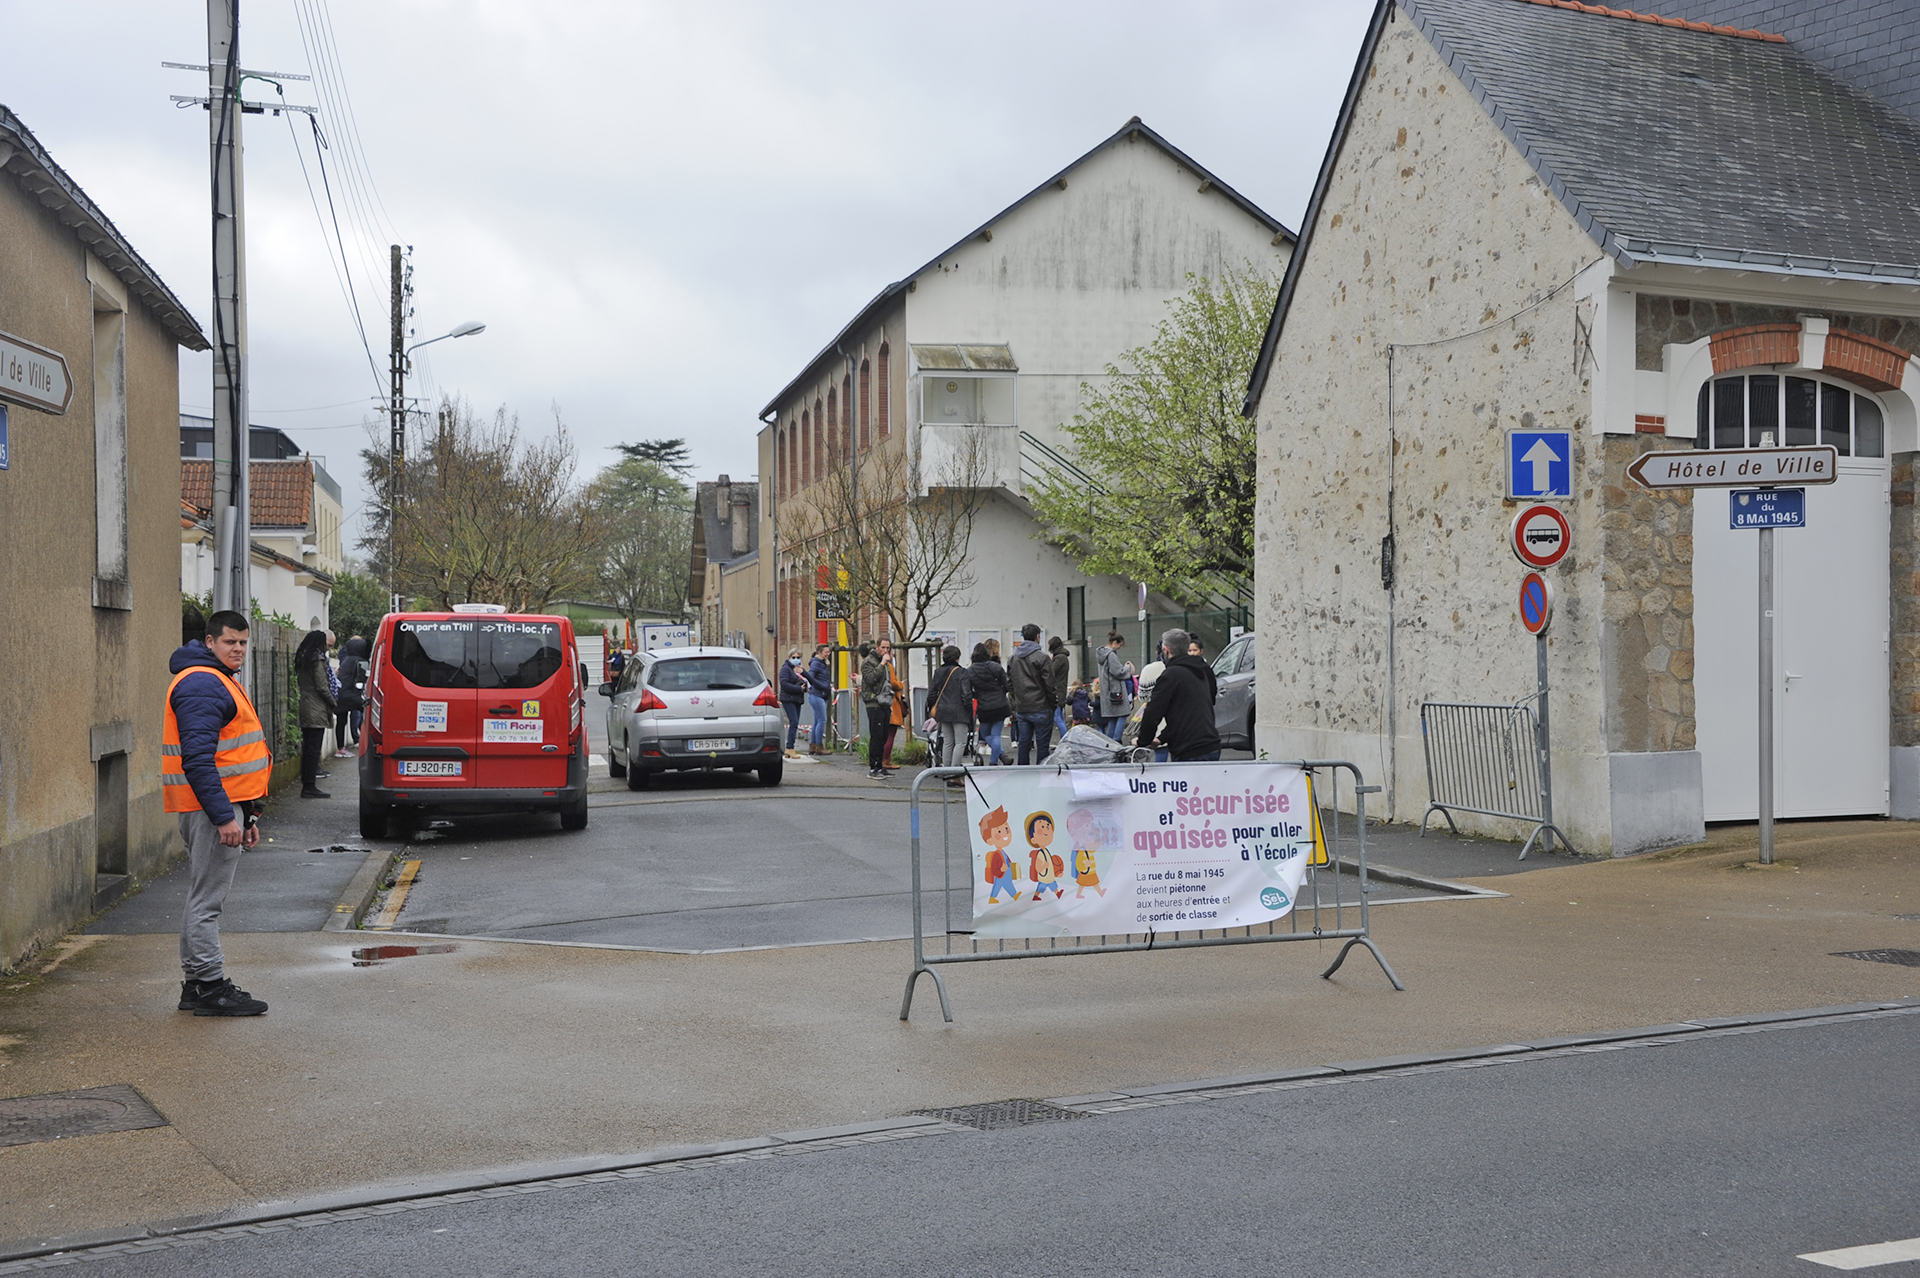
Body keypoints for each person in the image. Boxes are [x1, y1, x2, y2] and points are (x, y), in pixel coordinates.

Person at [163, 609, 271, 1016]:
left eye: (243, 642)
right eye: (229, 642)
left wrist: (249, 815)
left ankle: (196, 986)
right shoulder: (203, 684)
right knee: (207, 901)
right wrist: (226, 816)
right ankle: (211, 987)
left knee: (200, 897)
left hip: (220, 806)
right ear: (210, 643)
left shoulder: (212, 679)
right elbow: (197, 759)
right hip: (212, 810)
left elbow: (233, 755)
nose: (238, 649)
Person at [1135, 628, 1221, 762]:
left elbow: (1153, 712)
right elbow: (1191, 712)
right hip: (1211, 744)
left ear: (1166, 649)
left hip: (1188, 749)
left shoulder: (1170, 675)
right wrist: (1161, 738)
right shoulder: (1204, 669)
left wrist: (1143, 741)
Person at [294, 629, 336, 799]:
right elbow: (321, 686)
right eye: (325, 644)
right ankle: (309, 786)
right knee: (314, 749)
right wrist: (333, 701)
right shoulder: (317, 659)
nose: (326, 648)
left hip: (306, 705)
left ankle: (307, 783)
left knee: (308, 748)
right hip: (316, 708)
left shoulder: (303, 658)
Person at [1007, 623, 1057, 764]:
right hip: (1041, 706)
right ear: (1037, 637)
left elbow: (1010, 684)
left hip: (1022, 707)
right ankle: (1041, 774)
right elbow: (1050, 684)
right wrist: (1053, 703)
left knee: (1024, 743)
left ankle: (1023, 774)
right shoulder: (1042, 657)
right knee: (1042, 745)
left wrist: (1016, 700)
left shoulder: (1012, 658)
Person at [930, 644, 974, 771]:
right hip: (959, 712)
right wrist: (969, 710)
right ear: (957, 658)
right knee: (960, 742)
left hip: (943, 711)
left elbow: (932, 693)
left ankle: (946, 770)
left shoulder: (938, 672)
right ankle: (954, 772)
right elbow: (966, 694)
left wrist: (931, 707)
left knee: (948, 742)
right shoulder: (962, 672)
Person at [860, 638, 898, 779]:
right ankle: (873, 767)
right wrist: (882, 664)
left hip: (885, 701)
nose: (885, 650)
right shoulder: (869, 662)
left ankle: (881, 766)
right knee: (876, 736)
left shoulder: (887, 663)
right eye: (883, 647)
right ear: (877, 647)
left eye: (888, 647)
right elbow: (871, 678)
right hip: (874, 701)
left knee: (883, 736)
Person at [969, 642, 1009, 766]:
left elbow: (969, 691)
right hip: (1000, 705)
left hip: (984, 707)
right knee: (996, 735)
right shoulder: (995, 666)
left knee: (985, 734)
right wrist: (1000, 692)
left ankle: (1001, 755)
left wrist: (978, 695)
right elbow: (1007, 685)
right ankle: (995, 761)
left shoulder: (970, 670)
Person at [1096, 631, 1135, 740]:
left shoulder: (1102, 654)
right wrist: (1127, 668)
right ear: (1114, 643)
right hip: (1115, 689)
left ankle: (1110, 741)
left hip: (1107, 690)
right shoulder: (1111, 655)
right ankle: (1117, 740)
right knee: (1123, 714)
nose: (1119, 648)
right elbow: (1118, 672)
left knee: (1113, 718)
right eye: (1119, 645)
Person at [334, 636, 368, 751]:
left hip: (341, 694)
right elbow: (364, 677)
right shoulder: (359, 661)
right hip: (351, 694)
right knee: (368, 712)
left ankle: (340, 748)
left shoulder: (347, 660)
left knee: (341, 721)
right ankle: (367, 741)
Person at [805, 643, 833, 753]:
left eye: (829, 652)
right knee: (822, 720)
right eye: (826, 652)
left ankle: (813, 745)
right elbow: (810, 677)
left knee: (817, 721)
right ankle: (819, 746)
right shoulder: (817, 663)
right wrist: (824, 686)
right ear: (819, 653)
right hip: (818, 694)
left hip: (818, 694)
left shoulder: (820, 663)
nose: (828, 654)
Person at [777, 648, 807, 752]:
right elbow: (784, 684)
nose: (796, 659)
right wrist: (799, 688)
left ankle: (790, 748)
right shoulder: (786, 669)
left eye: (798, 657)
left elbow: (805, 681)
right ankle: (789, 747)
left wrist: (804, 686)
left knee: (795, 723)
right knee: (793, 722)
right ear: (789, 658)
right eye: (793, 657)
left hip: (797, 699)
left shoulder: (799, 669)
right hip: (788, 698)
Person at [1046, 636, 1072, 739]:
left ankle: (1065, 739)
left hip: (1057, 691)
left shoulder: (1059, 658)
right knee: (1060, 716)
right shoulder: (1062, 656)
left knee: (1057, 718)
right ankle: (1064, 739)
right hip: (1061, 690)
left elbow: (1051, 672)